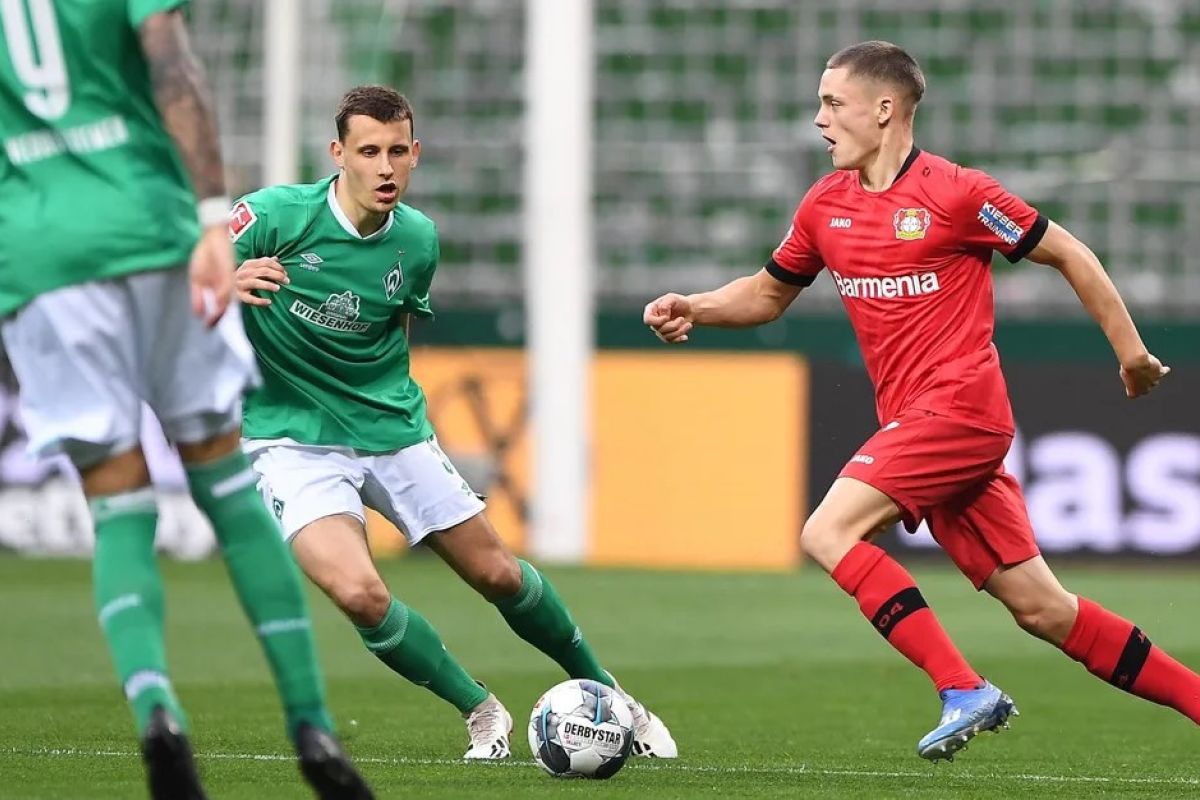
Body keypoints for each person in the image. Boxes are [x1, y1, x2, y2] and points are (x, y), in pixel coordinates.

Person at [643, 40, 1198, 762]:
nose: (818, 119)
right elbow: (768, 293)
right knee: (1042, 609)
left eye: (831, 103)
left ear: (884, 109)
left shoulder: (959, 194)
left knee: (827, 532)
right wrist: (696, 305)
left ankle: (961, 687)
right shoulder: (825, 206)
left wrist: (1130, 352)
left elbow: (1068, 251)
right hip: (920, 423)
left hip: (961, 410)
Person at [231, 84, 677, 761]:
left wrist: (392, 414)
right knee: (358, 591)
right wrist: (217, 283)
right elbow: (176, 265)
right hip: (290, 438)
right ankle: (481, 711)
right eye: (369, 151)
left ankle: (612, 696)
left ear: (416, 155)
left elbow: (396, 328)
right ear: (337, 154)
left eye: (398, 152)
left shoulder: (417, 239)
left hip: (392, 429)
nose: (385, 167)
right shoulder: (271, 218)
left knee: (496, 573)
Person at [0, 3, 373, 798]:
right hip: (150, 226)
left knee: (116, 502)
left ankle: (156, 711)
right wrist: (213, 218)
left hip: (40, 256)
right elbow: (176, 71)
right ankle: (310, 723)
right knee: (226, 481)